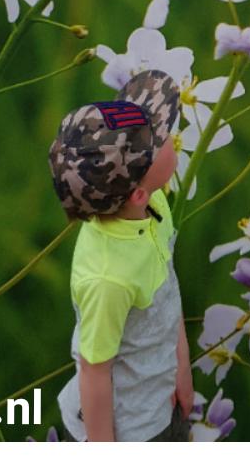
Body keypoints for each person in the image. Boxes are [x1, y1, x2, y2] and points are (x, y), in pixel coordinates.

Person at [48, 69, 193, 441]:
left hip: (158, 407)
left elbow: (166, 289)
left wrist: (181, 369)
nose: (169, 135)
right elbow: (95, 371)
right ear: (137, 195)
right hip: (128, 432)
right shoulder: (107, 278)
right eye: (159, 139)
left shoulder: (154, 206)